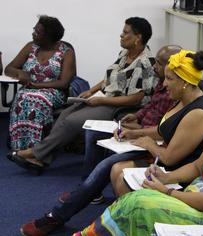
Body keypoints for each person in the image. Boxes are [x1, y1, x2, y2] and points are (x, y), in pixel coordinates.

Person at [20, 49, 203, 236]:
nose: (164, 84)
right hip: (160, 154)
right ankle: (119, 218)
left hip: (175, 170)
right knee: (113, 167)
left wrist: (146, 142)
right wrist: (133, 134)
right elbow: (162, 131)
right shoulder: (184, 97)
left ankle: (60, 215)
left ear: (185, 82)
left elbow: (170, 158)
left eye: (169, 79)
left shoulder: (198, 113)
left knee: (108, 166)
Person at [71, 71, 203, 236]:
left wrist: (166, 192)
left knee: (137, 204)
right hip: (193, 200)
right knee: (136, 201)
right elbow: (196, 167)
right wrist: (166, 177)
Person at [7, 17, 157, 173]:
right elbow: (110, 78)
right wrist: (91, 91)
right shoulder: (125, 53)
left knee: (72, 121)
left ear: (138, 37)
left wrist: (99, 100)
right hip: (106, 98)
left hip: (121, 106)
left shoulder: (145, 63)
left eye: (125, 33)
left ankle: (35, 153)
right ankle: (41, 159)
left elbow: (136, 98)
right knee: (65, 113)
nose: (121, 35)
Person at [80, 45, 180, 181]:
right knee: (92, 133)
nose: (154, 66)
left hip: (149, 138)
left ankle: (89, 186)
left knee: (108, 164)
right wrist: (136, 116)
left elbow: (163, 129)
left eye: (159, 63)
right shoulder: (161, 82)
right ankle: (87, 180)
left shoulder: (175, 94)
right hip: (139, 129)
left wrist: (138, 129)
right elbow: (151, 104)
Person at [5, 15, 76, 150]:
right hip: (28, 90)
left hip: (54, 92)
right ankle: (19, 145)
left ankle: (35, 149)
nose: (33, 33)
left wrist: (37, 85)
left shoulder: (66, 52)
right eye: (34, 29)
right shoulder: (30, 47)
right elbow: (9, 68)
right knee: (22, 97)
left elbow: (64, 83)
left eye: (38, 32)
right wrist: (19, 73)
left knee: (37, 100)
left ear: (48, 36)